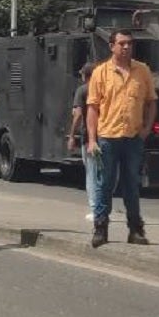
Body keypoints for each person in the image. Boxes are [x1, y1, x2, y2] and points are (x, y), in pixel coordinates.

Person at [86, 29, 157, 247]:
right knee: (104, 184)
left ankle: (135, 230)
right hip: (107, 137)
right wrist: (92, 139)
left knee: (132, 185)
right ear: (112, 46)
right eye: (122, 43)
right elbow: (92, 108)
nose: (126, 47)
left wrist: (146, 129)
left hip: (133, 138)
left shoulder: (142, 71)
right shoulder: (101, 72)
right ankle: (100, 228)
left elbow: (151, 101)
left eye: (130, 44)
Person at [67, 63, 97, 221]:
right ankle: (105, 208)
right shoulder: (104, 89)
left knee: (91, 174)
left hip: (89, 138)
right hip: (107, 136)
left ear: (85, 76)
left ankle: (95, 209)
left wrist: (72, 135)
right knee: (104, 175)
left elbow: (78, 115)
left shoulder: (83, 90)